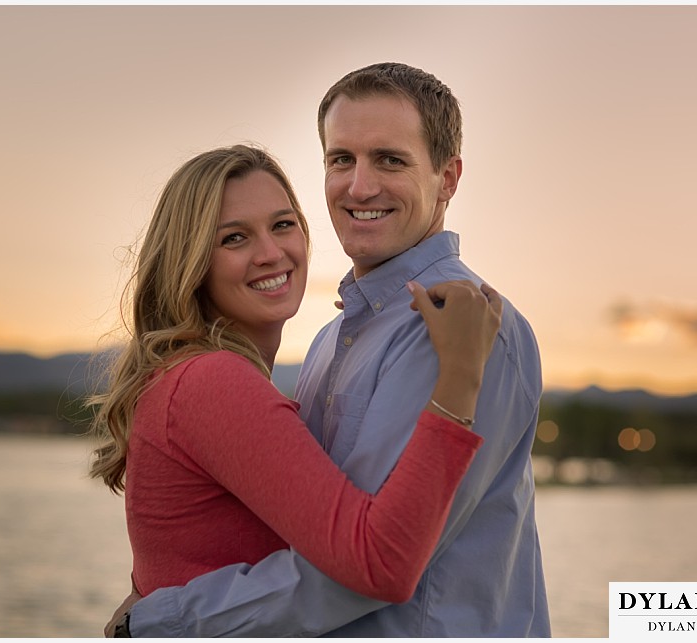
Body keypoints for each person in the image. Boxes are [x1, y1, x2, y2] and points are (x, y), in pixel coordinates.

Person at [109, 62, 551, 638]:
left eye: (389, 160)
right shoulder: (325, 344)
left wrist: (158, 619)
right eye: (341, 159)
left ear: (447, 178)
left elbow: (369, 565)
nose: (358, 187)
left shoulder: (462, 327)